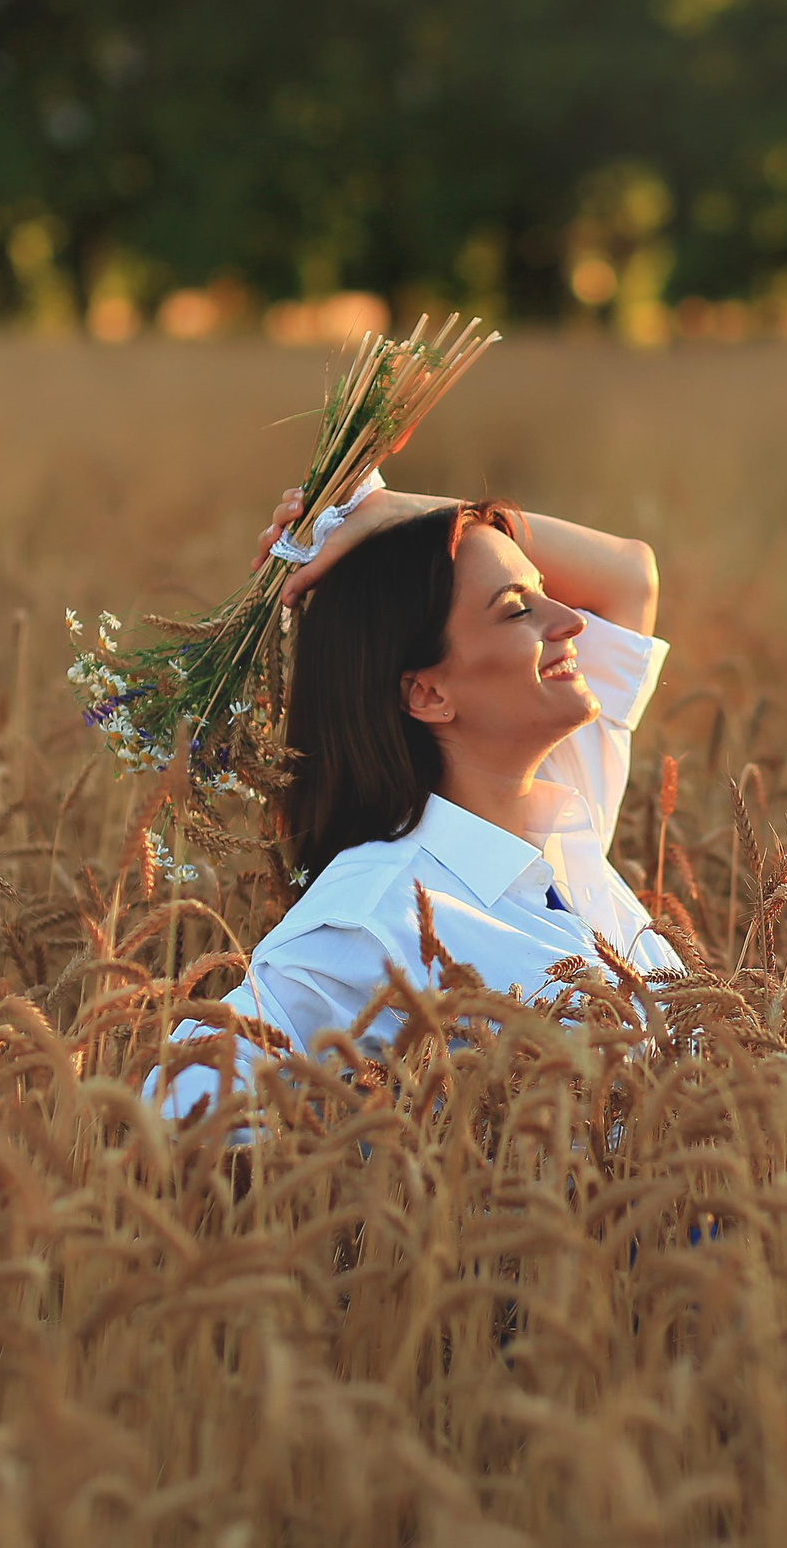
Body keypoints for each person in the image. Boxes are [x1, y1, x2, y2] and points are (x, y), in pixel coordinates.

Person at [153, 475, 675, 1121]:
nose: (570, 620)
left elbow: (629, 577)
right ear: (426, 694)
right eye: (519, 608)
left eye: (544, 591)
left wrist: (387, 510)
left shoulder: (558, 806)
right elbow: (166, 1112)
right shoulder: (374, 915)